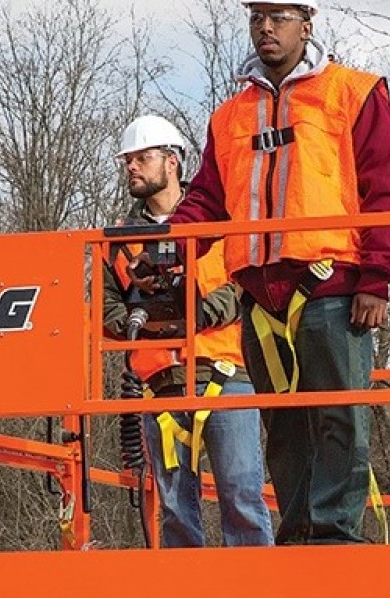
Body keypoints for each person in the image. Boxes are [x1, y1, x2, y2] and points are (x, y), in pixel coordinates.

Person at [166, 0, 390, 544]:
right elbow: (208, 199)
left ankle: (333, 534)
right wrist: (168, 244)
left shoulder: (352, 92)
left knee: (338, 416)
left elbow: (388, 189)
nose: (265, 28)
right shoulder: (230, 115)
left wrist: (376, 278)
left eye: (277, 17)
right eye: (257, 17)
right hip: (260, 296)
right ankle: (299, 533)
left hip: (332, 285)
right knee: (282, 426)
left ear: (306, 24)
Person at [103, 114, 274, 548]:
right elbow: (105, 307)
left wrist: (206, 310)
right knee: (176, 507)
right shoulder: (119, 240)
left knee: (241, 494)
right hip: (159, 385)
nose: (133, 167)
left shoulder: (218, 222)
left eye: (143, 158)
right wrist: (141, 324)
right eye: (128, 161)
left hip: (225, 373)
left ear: (172, 162)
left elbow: (246, 281)